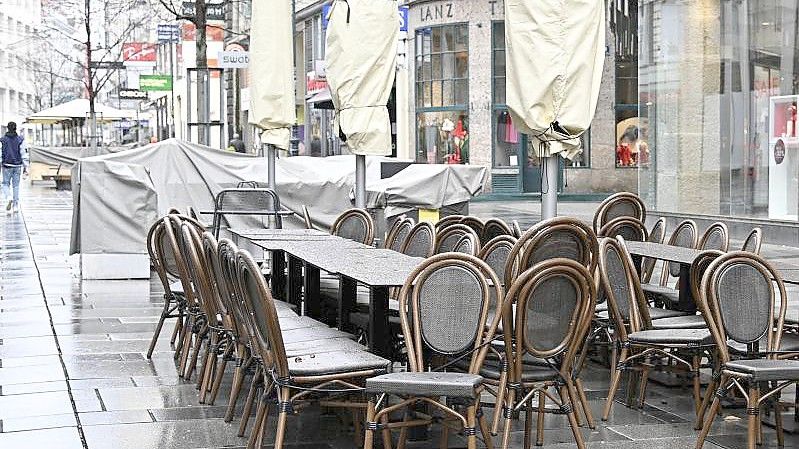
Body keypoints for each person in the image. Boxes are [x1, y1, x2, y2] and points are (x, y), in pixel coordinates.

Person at [1, 122, 29, 214]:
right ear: (16, 128)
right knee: (16, 185)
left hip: (6, 165)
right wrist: (26, 167)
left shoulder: (2, 140)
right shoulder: (20, 140)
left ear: (7, 128)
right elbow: (24, 154)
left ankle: (8, 197)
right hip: (17, 165)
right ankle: (16, 206)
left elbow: (0, 154)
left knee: (5, 184)